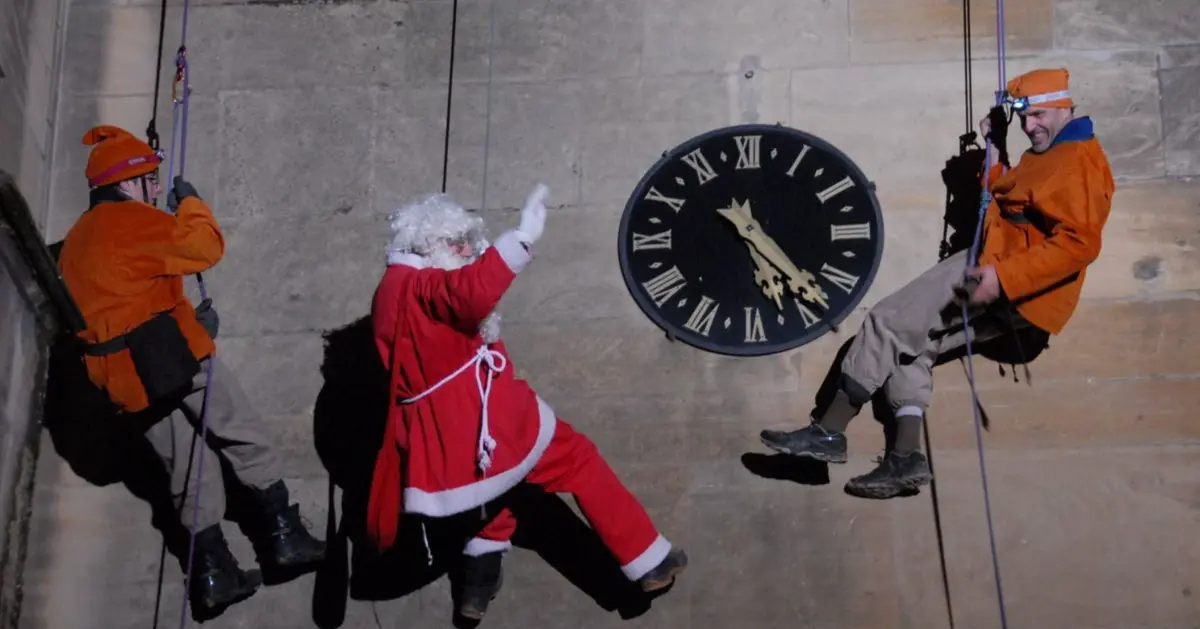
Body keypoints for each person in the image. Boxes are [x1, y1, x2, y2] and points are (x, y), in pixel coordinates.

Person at [760, 67, 1115, 498]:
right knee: (912, 347)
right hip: (1023, 299)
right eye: (1025, 118)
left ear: (1064, 107)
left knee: (886, 322)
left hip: (994, 268)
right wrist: (996, 147)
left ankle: (828, 432)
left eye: (1038, 115)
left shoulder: (1075, 159)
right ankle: (906, 457)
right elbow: (1011, 193)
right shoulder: (1055, 152)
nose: (1030, 126)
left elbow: (1079, 245)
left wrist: (1000, 278)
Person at [366, 185, 688, 621]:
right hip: (481, 420)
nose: (467, 251)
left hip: (437, 438)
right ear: (428, 244)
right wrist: (521, 237)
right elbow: (470, 292)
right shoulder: (424, 286)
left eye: (468, 242)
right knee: (578, 460)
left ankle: (477, 588)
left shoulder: (389, 290)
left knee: (497, 491)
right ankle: (650, 560)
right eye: (456, 243)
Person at [55, 125, 327, 610]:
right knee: (242, 435)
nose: (155, 189)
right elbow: (205, 248)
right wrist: (192, 204)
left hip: (122, 380)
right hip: (166, 357)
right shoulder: (131, 220)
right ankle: (285, 540)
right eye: (150, 180)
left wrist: (187, 319)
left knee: (187, 469)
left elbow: (120, 299)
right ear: (126, 183)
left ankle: (212, 576)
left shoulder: (76, 242)